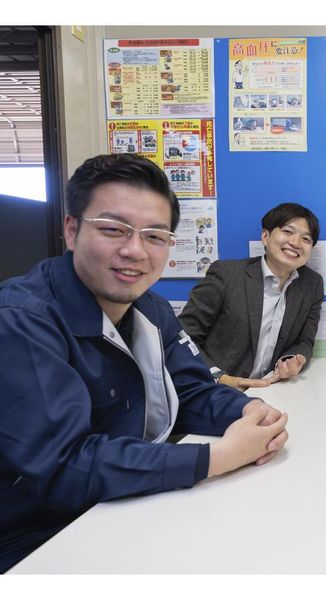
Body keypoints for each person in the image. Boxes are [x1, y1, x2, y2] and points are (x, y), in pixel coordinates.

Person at [0, 153, 289, 573]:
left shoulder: (151, 309)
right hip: (36, 537)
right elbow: (65, 466)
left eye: (154, 236)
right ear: (72, 230)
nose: (134, 250)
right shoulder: (22, 319)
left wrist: (248, 410)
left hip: (121, 507)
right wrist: (216, 458)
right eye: (113, 229)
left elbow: (191, 392)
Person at [180, 203, 324, 391]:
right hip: (214, 390)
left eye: (306, 239)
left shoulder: (312, 284)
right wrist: (219, 377)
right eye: (288, 232)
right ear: (265, 236)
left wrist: (292, 360)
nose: (295, 243)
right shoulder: (227, 274)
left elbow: (305, 341)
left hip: (271, 391)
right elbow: (183, 337)